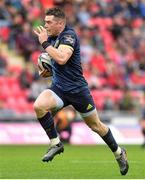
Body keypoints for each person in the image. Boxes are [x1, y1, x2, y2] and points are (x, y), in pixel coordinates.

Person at [33, 7, 129, 175]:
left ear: (60, 23)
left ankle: (119, 153)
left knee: (96, 126)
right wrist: (45, 68)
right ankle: (56, 143)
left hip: (78, 91)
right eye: (45, 21)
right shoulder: (52, 37)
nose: (45, 25)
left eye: (49, 22)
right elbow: (54, 65)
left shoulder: (69, 35)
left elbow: (62, 59)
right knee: (39, 106)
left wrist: (45, 44)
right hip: (59, 89)